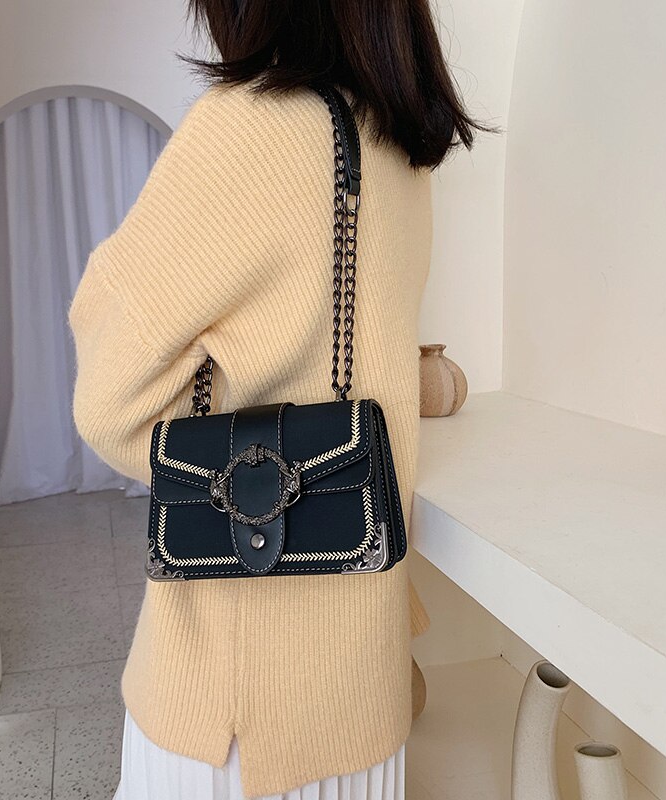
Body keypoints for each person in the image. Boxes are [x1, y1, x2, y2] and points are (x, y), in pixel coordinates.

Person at [68, 1, 484, 797]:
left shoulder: (248, 127)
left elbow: (110, 404)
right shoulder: (401, 149)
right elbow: (368, 360)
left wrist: (230, 459)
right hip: (361, 685)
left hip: (237, 702)